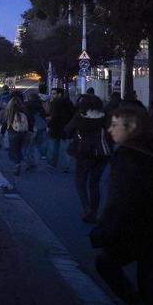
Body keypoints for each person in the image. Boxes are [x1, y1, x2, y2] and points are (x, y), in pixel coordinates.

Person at [89, 105, 153, 305]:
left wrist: (103, 229)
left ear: (130, 128)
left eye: (115, 125)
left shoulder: (129, 156)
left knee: (111, 264)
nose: (110, 130)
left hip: (141, 229)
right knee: (150, 282)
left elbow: (121, 198)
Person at [64, 93, 111, 222]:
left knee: (80, 182)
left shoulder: (80, 117)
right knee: (94, 183)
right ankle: (94, 212)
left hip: (84, 152)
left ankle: (86, 208)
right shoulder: (105, 117)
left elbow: (67, 130)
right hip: (102, 154)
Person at [1, 91, 34, 174]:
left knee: (14, 150)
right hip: (25, 132)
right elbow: (30, 120)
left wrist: (2, 132)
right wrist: (30, 130)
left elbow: (5, 122)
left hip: (13, 132)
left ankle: (17, 165)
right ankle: (29, 163)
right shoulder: (25, 108)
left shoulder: (9, 109)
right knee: (24, 148)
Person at [47, 87, 75, 172]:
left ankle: (53, 163)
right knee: (66, 147)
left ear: (59, 94)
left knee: (55, 146)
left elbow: (53, 116)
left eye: (54, 94)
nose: (52, 95)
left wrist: (49, 125)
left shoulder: (55, 102)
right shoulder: (69, 102)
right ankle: (66, 165)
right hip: (66, 127)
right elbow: (73, 114)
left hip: (56, 127)